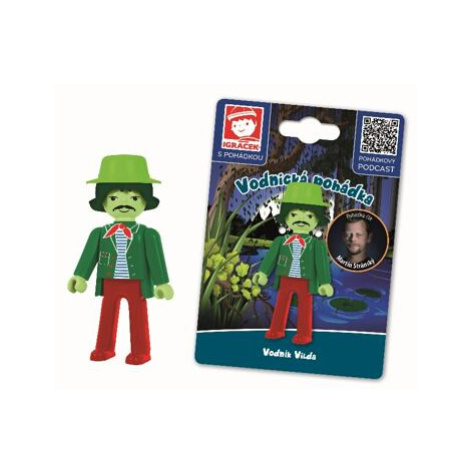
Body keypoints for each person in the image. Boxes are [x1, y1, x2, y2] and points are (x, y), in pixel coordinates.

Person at [67, 155, 173, 365]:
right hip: (109, 281)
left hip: (137, 282)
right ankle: (104, 348)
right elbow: (88, 256)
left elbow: (156, 258)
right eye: (114, 198)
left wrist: (162, 283)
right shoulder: (99, 233)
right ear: (103, 202)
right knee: (107, 315)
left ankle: (141, 351)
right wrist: (80, 276)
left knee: (138, 316)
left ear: (145, 201)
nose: (124, 203)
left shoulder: (147, 234)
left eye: (133, 198)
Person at [253, 182, 334, 345]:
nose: (301, 219)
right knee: (281, 304)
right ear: (285, 217)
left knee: (305, 307)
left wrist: (325, 282)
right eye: (294, 214)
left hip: (306, 281)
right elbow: (270, 259)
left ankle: (304, 334)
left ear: (317, 219)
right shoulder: (280, 241)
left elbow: (322, 264)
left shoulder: (316, 245)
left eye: (309, 216)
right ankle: (276, 330)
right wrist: (262, 273)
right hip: (285, 278)